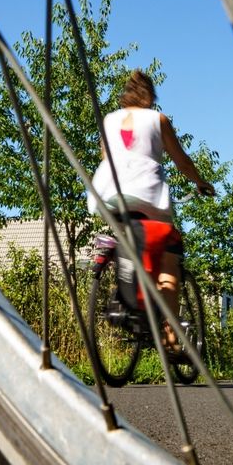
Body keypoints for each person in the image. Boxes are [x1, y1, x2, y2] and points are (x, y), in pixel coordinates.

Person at [89, 69, 213, 351]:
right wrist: (200, 182)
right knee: (169, 258)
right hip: (147, 193)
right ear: (150, 96)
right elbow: (182, 161)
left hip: (109, 191)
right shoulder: (158, 119)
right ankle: (170, 336)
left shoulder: (109, 120)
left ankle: (126, 294)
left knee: (130, 241)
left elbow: (105, 156)